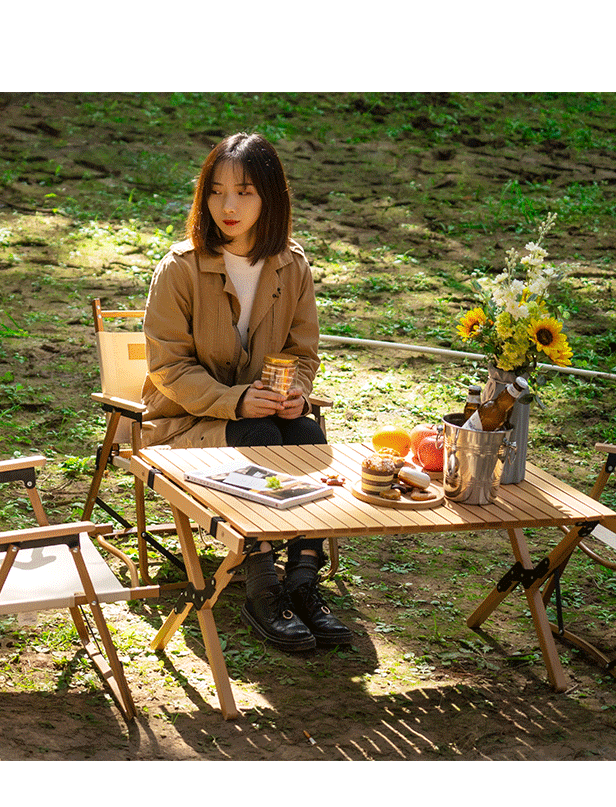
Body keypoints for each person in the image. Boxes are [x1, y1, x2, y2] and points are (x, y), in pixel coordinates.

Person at [140, 132, 352, 652]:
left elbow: (302, 352)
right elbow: (168, 367)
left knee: (306, 434)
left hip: (263, 417)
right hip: (187, 424)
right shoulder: (180, 267)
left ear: (271, 198)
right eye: (215, 192)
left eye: (244, 192)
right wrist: (235, 401)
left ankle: (302, 580)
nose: (227, 207)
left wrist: (296, 392)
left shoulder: (291, 264)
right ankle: (261, 585)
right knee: (258, 433)